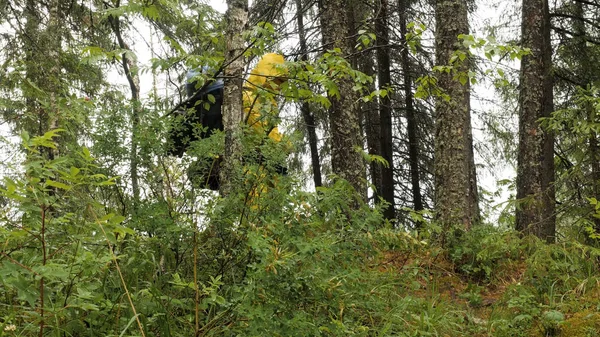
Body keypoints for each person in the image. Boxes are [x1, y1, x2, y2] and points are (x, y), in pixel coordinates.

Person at [167, 53, 288, 190]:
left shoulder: (194, 111)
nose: (278, 86)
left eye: (280, 82)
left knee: (197, 171)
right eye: (277, 81)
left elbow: (173, 149)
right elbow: (267, 141)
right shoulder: (250, 100)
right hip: (248, 176)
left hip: (239, 170)